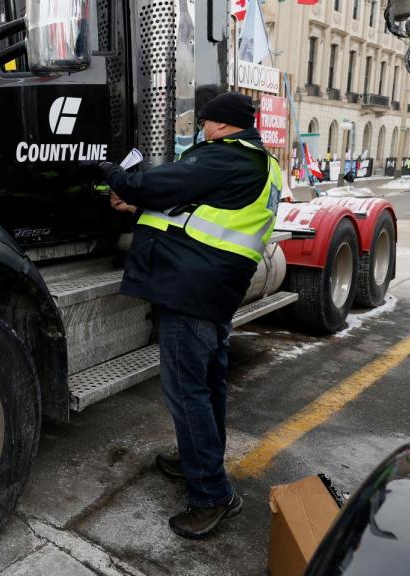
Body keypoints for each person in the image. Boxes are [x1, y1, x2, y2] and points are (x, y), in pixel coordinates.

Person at [97, 92, 282, 539]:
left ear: (221, 124)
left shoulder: (226, 157)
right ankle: (196, 459)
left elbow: (161, 185)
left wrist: (115, 177)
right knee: (207, 386)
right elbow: (192, 211)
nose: (201, 128)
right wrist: (139, 205)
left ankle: (212, 496)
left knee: (187, 392)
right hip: (211, 288)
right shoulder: (259, 162)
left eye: (205, 122)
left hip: (192, 289)